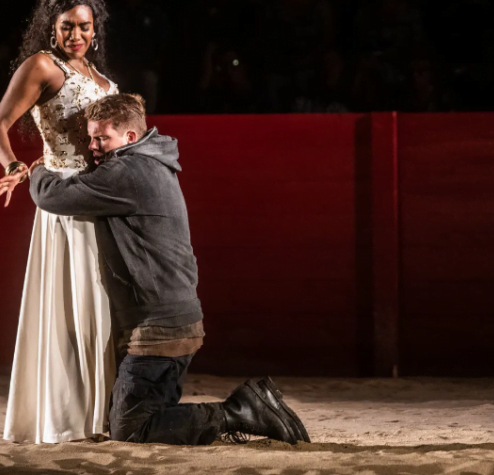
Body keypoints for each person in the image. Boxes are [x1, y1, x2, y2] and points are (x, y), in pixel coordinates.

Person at [24, 93, 310, 445]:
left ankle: (241, 410)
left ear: (129, 138)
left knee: (130, 429)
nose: (93, 146)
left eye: (101, 138)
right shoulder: (152, 159)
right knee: (145, 415)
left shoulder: (126, 171)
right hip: (176, 319)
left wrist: (36, 171)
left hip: (160, 329)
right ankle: (243, 407)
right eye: (91, 137)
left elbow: (53, 198)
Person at [0, 0, 119, 443]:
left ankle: (101, 413)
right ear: (52, 27)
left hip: (103, 195)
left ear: (95, 29)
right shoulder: (43, 65)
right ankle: (70, 418)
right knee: (72, 306)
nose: (76, 36)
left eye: (84, 27)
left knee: (101, 308)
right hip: (65, 201)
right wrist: (17, 166)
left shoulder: (98, 76)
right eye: (67, 27)